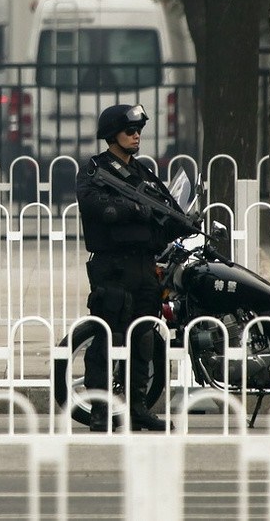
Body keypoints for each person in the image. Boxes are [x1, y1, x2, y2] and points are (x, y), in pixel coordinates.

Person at [75, 103, 182, 432]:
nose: (136, 136)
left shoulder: (143, 173)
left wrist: (182, 223)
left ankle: (138, 407)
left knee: (143, 339)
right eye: (129, 131)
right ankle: (99, 409)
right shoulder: (95, 169)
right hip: (112, 267)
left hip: (144, 266)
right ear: (111, 135)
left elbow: (167, 210)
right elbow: (92, 203)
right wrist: (132, 208)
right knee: (106, 338)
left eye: (138, 131)